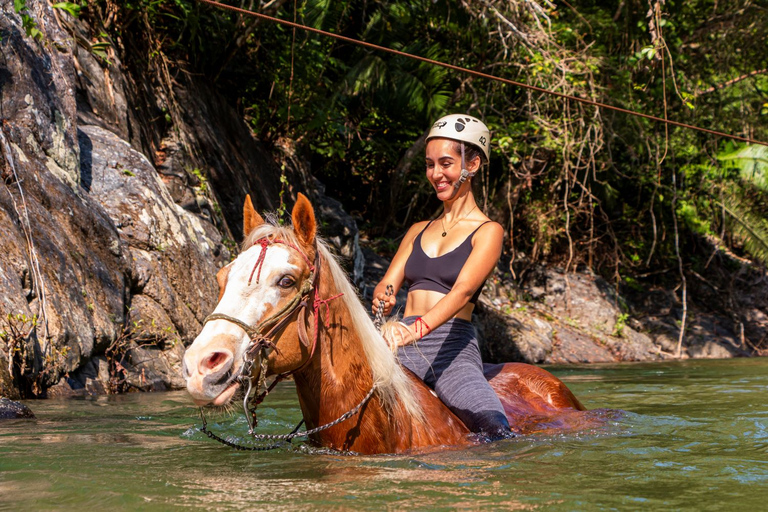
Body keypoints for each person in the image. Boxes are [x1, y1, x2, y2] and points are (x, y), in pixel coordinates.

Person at [372, 113, 511, 440]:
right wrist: (385, 292)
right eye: (430, 164)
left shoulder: (489, 231)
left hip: (451, 348)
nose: (436, 174)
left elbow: (462, 292)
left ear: (472, 165)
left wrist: (415, 331)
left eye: (446, 163)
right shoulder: (418, 230)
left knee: (494, 429)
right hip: (398, 341)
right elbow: (389, 280)